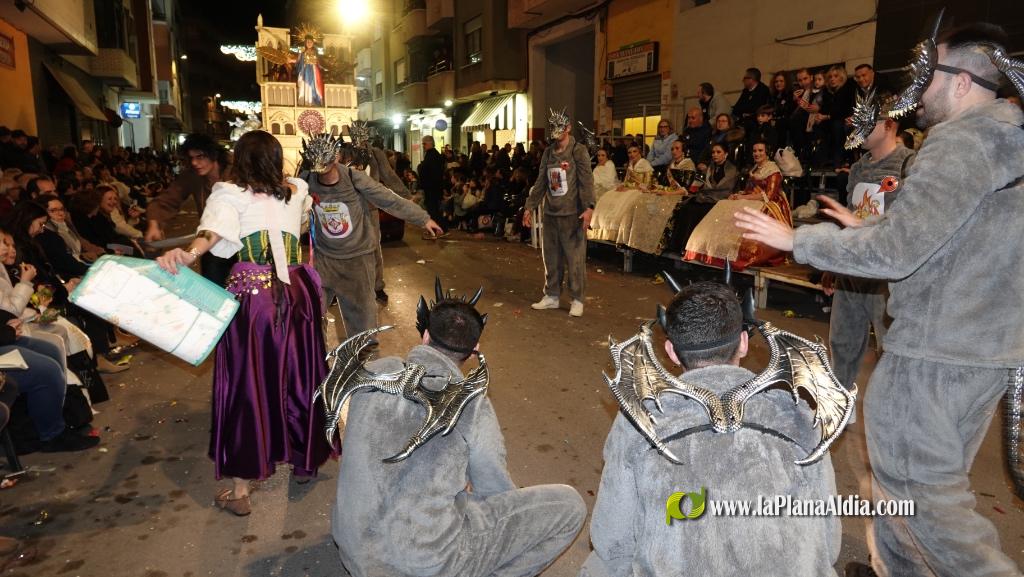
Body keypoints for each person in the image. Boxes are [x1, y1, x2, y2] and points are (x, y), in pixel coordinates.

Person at [735, 21, 1024, 577]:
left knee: (928, 505)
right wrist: (860, 228)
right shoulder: (1005, 141)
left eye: (929, 76)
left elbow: (898, 253)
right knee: (915, 493)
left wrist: (797, 239)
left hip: (937, 351)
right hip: (980, 350)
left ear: (961, 81)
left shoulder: (962, 143)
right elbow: (945, 239)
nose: (917, 94)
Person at [581, 281, 841, 577]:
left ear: (671, 352)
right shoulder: (797, 415)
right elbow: (829, 545)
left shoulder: (641, 420)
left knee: (600, 565)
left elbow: (611, 540)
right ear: (743, 342)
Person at [331, 285, 586, 577]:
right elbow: (495, 491)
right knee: (570, 505)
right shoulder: (472, 404)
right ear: (474, 350)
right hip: (423, 564)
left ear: (425, 336)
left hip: (356, 552)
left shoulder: (375, 371)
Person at [156, 130, 334, 516]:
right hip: (298, 292)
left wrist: (187, 255)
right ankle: (304, 463)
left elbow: (211, 233)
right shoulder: (297, 189)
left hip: (255, 298)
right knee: (301, 375)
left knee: (248, 383)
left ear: (240, 158)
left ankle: (241, 490)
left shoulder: (228, 194)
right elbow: (301, 226)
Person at [307, 138, 443, 338]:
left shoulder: (355, 178)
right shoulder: (306, 180)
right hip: (324, 260)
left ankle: (364, 362)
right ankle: (315, 363)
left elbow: (388, 199)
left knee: (362, 323)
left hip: (357, 260)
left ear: (336, 157)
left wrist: (422, 218)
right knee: (310, 318)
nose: (322, 171)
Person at [824, 96, 914, 393]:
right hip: (852, 268)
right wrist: (832, 265)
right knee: (842, 337)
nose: (858, 129)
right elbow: (848, 215)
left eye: (867, 123)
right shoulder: (858, 168)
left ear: (889, 124)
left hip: (886, 274)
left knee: (891, 343)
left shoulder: (909, 165)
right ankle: (841, 397)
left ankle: (895, 405)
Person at [523, 109, 595, 318]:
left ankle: (577, 299)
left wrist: (589, 208)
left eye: (560, 129)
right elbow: (541, 182)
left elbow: (586, 181)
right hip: (551, 214)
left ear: (568, 128)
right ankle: (552, 295)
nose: (557, 134)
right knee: (551, 258)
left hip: (572, 214)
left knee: (575, 259)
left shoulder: (578, 151)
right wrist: (529, 206)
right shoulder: (548, 152)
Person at [145, 133, 233, 285]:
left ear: (213, 155)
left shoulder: (236, 172)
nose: (195, 163)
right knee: (213, 288)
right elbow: (168, 198)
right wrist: (154, 223)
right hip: (208, 240)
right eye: (191, 158)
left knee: (244, 292)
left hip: (241, 240)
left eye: (200, 157)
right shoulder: (192, 176)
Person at [417, 135, 446, 226]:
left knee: (433, 210)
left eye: (424, 144)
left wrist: (421, 167)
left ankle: (438, 228)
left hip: (432, 188)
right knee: (434, 209)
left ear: (430, 143)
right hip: (435, 187)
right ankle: (439, 228)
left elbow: (427, 170)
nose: (423, 146)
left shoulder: (431, 155)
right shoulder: (435, 154)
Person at [732, 67, 771, 133]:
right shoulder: (746, 91)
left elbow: (756, 108)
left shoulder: (763, 90)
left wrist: (744, 111)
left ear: (751, 79)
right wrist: (744, 113)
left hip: (756, 120)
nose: (742, 80)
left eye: (745, 78)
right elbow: (736, 109)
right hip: (743, 120)